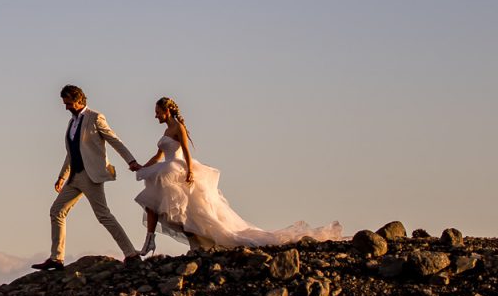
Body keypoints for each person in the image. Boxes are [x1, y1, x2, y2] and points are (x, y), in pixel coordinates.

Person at [133, 96, 342, 255]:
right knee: (156, 204)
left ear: (167, 111)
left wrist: (189, 171)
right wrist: (143, 167)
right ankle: (151, 239)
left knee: (184, 213)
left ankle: (190, 243)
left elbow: (186, 151)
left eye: (158, 112)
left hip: (177, 169)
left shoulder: (179, 127)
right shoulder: (165, 132)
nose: (155, 116)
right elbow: (158, 155)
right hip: (166, 167)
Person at [33, 85, 142, 271]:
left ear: (78, 100)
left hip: (91, 176)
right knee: (57, 211)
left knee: (103, 215)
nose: (66, 107)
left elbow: (114, 140)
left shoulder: (95, 118)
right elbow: (71, 152)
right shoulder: (71, 123)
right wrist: (62, 177)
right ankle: (56, 258)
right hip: (74, 177)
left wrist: (131, 161)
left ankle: (131, 254)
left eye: (68, 103)